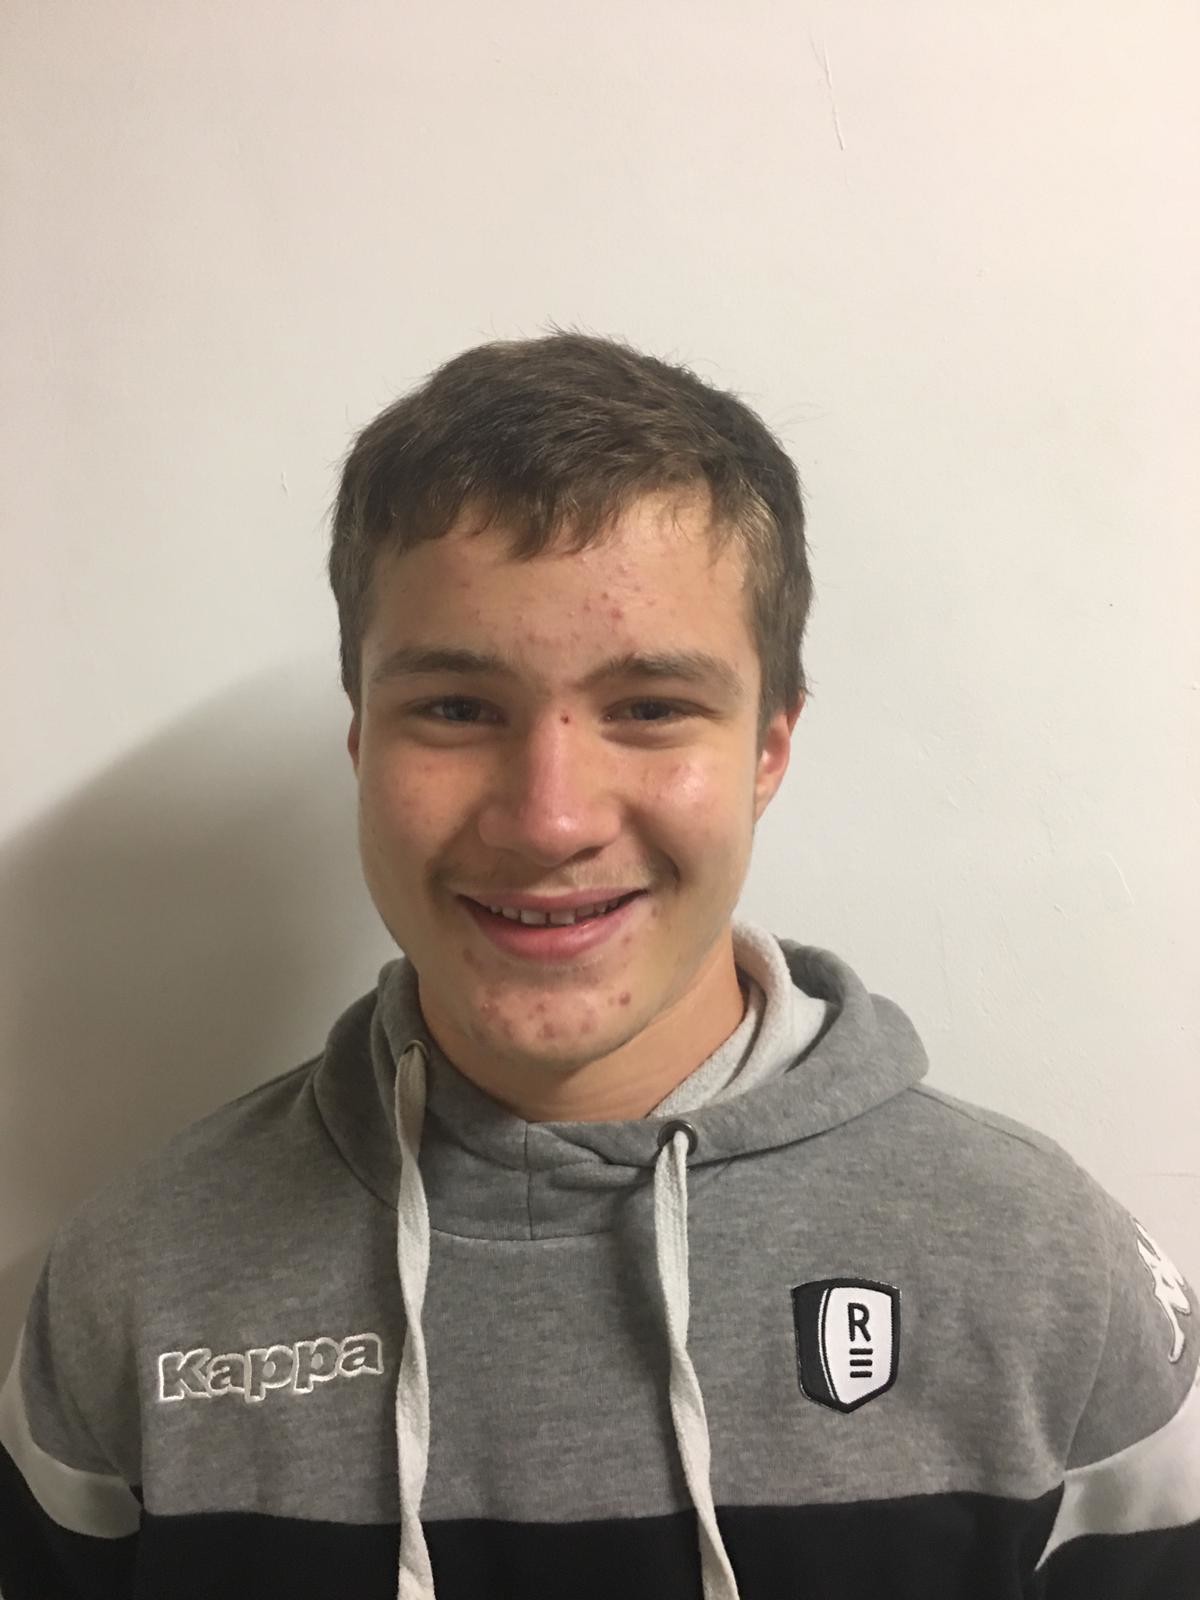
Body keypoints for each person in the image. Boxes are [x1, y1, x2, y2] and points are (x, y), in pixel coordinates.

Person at [1, 331, 1196, 1600]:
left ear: (768, 750)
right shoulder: (133, 1287)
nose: (550, 817)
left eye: (651, 707)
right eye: (457, 707)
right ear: (364, 741)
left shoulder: (1045, 1271)